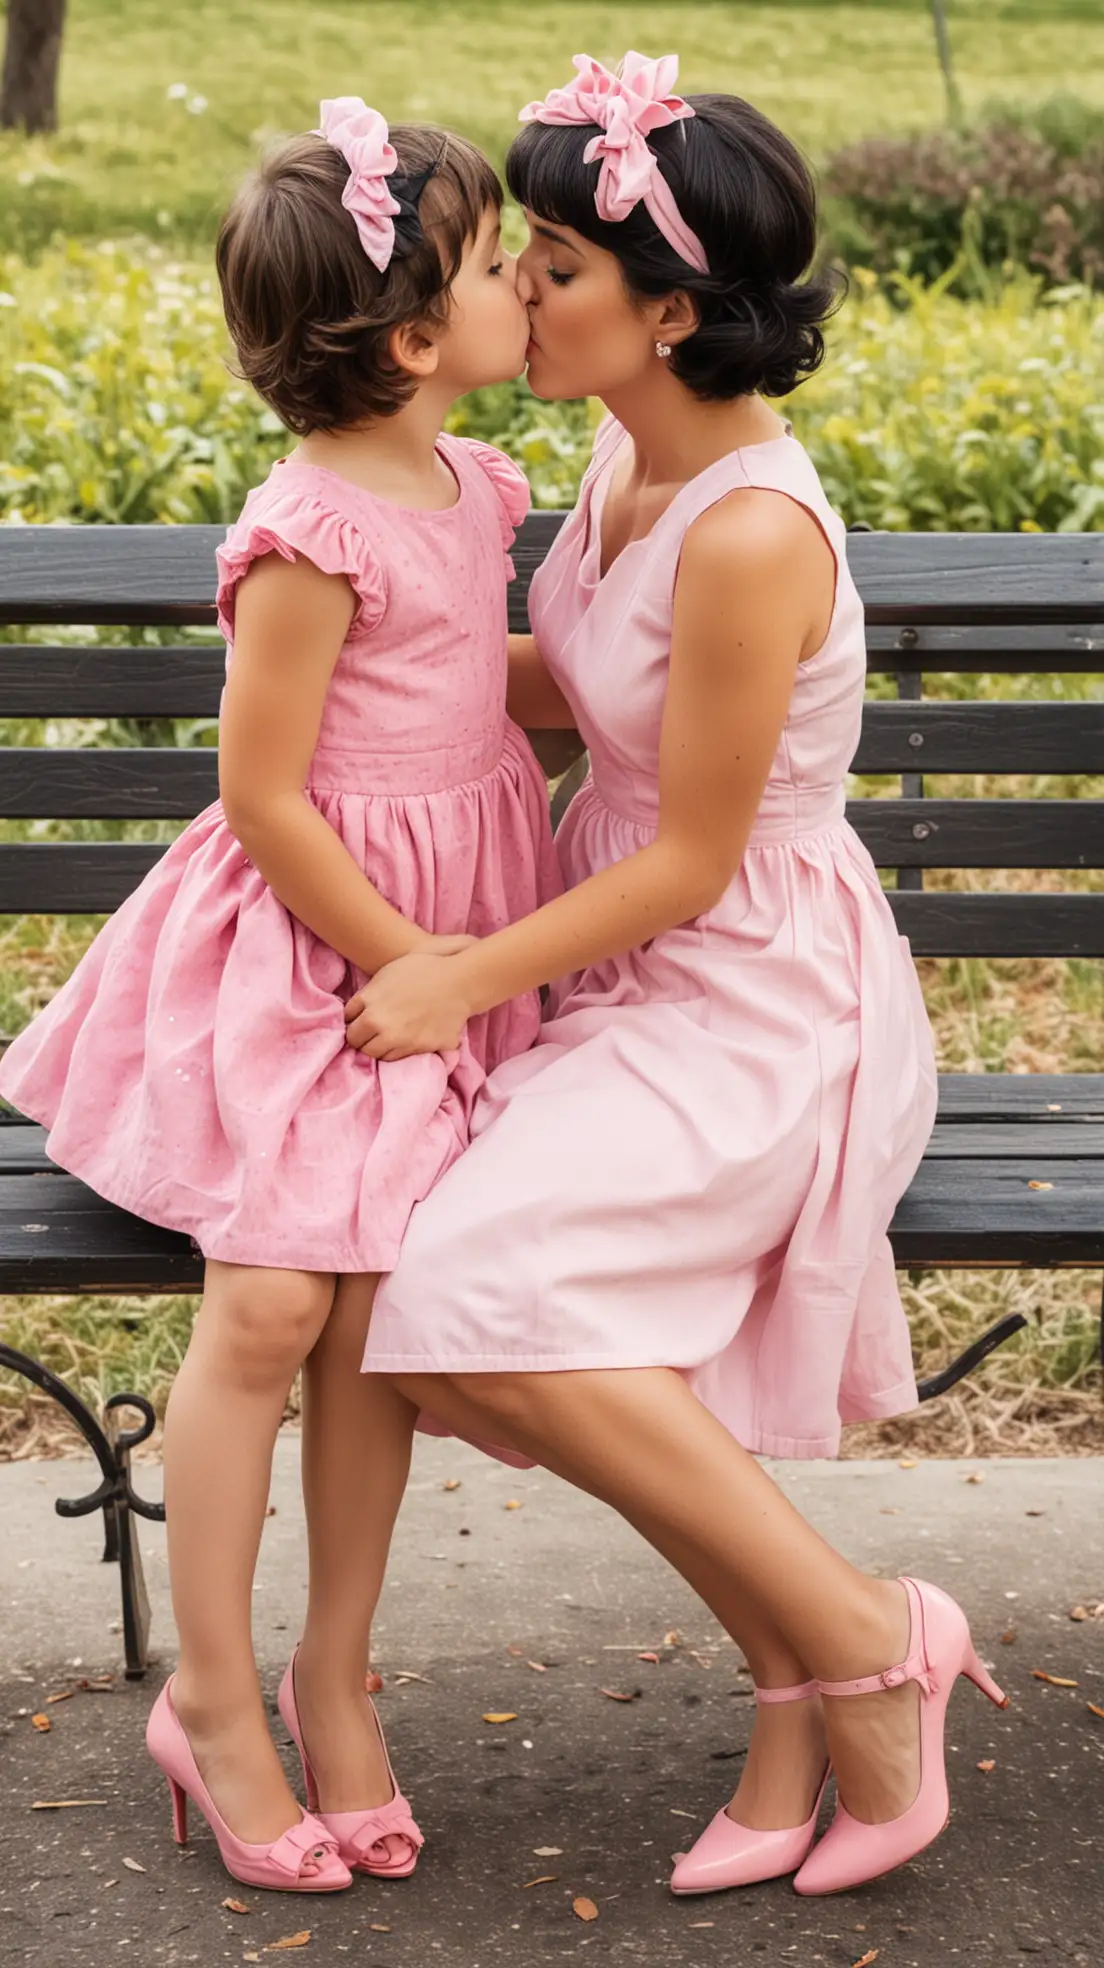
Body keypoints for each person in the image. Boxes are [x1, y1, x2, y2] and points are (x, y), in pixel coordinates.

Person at [347, 55, 1006, 1897]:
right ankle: (799, 1679)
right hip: (630, 961)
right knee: (445, 1313)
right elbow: (585, 685)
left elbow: (692, 853)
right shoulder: (630, 447)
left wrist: (457, 974)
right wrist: (365, 663)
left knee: (480, 1291)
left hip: (751, 989)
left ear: (675, 310)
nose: (509, 290)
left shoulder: (748, 531)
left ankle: (875, 1645)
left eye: (549, 262)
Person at [0, 98, 559, 1893]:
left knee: (382, 1296)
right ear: (413, 340)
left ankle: (338, 1669)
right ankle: (217, 1696)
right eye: (493, 269)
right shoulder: (308, 531)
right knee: (268, 1306)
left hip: (443, 947)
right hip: (316, 956)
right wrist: (419, 966)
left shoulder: (479, 485)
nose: (524, 291)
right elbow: (263, 792)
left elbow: (481, 680)